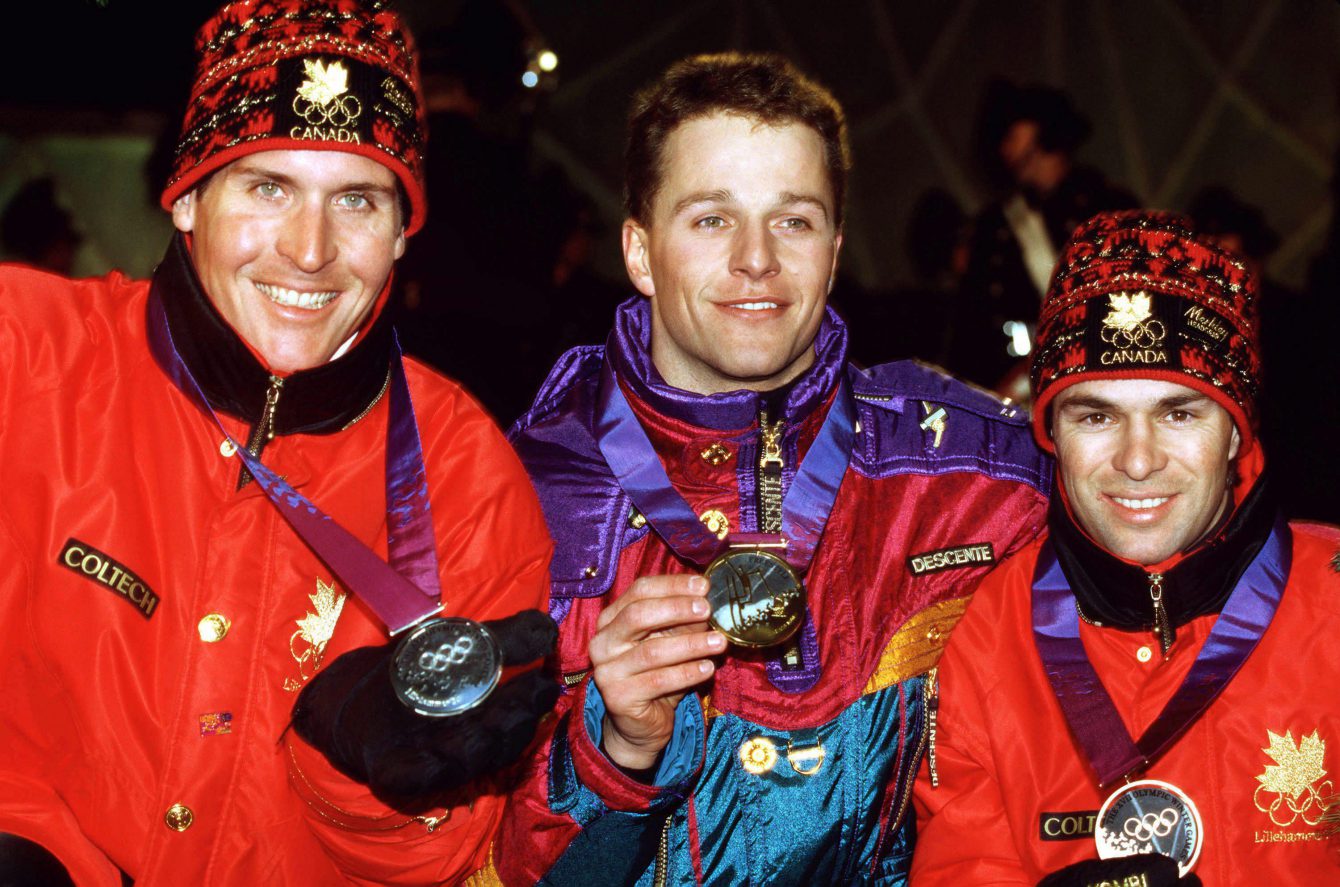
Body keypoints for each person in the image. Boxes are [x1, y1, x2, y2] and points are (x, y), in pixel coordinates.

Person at [0, 1, 559, 884]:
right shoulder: (26, 356)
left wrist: (365, 773)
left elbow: (441, 860)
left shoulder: (467, 476)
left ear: (402, 231)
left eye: (357, 200)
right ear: (188, 198)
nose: (309, 250)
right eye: (269, 188)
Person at [475, 53, 1053, 885]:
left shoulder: (976, 473)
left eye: (795, 221)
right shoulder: (521, 501)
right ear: (639, 251)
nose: (757, 258)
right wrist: (614, 755)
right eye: (712, 219)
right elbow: (450, 856)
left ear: (835, 250)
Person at [912, 210, 1340, 885]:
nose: (1138, 461)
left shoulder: (1332, 601)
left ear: (1236, 431)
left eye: (1179, 413)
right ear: (1051, 432)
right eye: (1096, 416)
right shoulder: (983, 632)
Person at [948, 82, 1136, 396]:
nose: (1004, 149)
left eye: (1011, 133)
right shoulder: (996, 228)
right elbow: (975, 323)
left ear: (1041, 127)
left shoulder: (1110, 206)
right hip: (1029, 386)